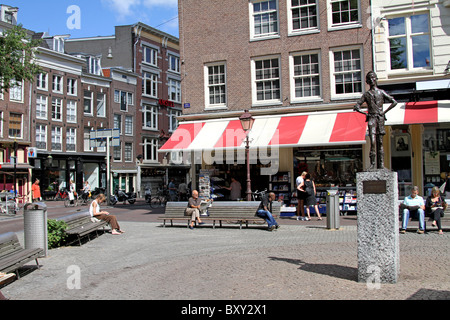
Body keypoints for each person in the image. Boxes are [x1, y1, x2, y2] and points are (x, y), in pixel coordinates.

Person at [354, 71, 397, 169]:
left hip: (380, 118)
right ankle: (373, 164)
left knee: (380, 142)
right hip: (372, 118)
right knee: (372, 142)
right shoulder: (366, 94)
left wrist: (384, 112)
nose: (372, 80)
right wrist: (365, 113)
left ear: (376, 79)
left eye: (373, 78)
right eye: (369, 78)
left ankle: (381, 165)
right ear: (367, 81)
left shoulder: (381, 92)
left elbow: (394, 102)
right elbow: (356, 106)